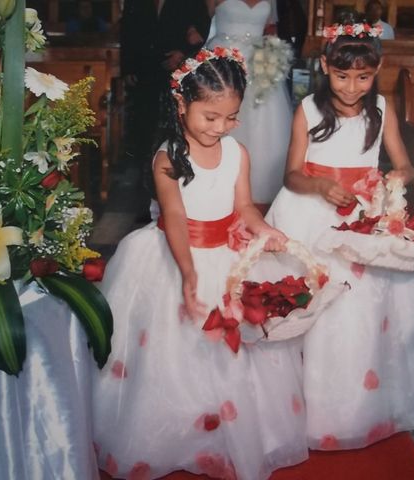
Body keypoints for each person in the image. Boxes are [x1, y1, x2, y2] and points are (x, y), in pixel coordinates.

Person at [92, 47, 308, 479]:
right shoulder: (168, 158)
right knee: (175, 353)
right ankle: (180, 431)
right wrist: (189, 273)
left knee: (230, 356)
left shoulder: (237, 153)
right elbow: (174, 217)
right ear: (181, 103)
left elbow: (244, 207)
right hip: (175, 256)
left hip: (226, 255)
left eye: (231, 117)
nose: (221, 127)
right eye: (210, 117)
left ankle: (225, 429)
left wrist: (264, 230)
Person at [266, 16, 414, 450]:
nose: (352, 87)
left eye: (363, 77)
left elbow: (404, 164)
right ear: (326, 67)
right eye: (342, 76)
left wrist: (394, 180)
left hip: (363, 212)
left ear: (377, 70)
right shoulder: (309, 109)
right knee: (314, 296)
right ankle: (303, 398)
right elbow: (291, 175)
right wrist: (319, 186)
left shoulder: (382, 108)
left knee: (364, 307)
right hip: (310, 208)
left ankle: (359, 398)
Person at [206, 0, 294, 211]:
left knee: (263, 123)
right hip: (223, 58)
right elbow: (200, 23)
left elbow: (270, 29)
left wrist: (273, 55)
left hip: (259, 62)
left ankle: (259, 192)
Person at [119, 0, 211, 196]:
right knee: (145, 128)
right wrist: (128, 68)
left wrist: (182, 54)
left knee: (172, 128)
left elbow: (203, 28)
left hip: (176, 69)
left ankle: (173, 183)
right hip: (145, 70)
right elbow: (127, 31)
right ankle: (146, 191)